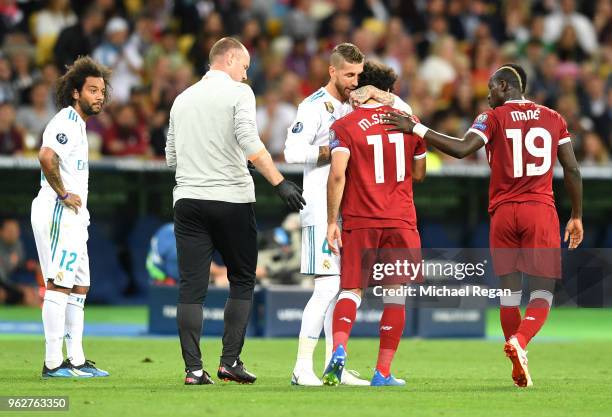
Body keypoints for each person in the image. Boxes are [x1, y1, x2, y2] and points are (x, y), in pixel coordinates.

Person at [383, 63, 584, 388]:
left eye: (491, 88)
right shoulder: (554, 118)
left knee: (509, 294)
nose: (487, 95)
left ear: (505, 86)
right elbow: (572, 170)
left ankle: (518, 360)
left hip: (504, 213)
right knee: (542, 292)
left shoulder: (491, 118)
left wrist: (416, 128)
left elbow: (462, 149)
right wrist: (576, 215)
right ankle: (520, 342)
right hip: (539, 210)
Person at [165, 37, 305, 386]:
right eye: (244, 67)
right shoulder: (239, 94)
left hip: (188, 200)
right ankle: (230, 362)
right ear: (229, 60)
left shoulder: (182, 99)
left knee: (191, 287)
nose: (246, 75)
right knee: (242, 278)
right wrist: (279, 183)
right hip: (231, 200)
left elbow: (171, 157)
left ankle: (193, 371)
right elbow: (249, 141)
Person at [284, 44, 413, 387]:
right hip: (319, 207)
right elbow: (291, 151)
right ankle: (300, 368)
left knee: (344, 290)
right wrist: (338, 148)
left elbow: (406, 111)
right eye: (349, 76)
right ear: (332, 71)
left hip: (354, 213)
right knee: (327, 289)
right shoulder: (313, 107)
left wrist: (376, 93)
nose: (355, 83)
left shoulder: (362, 103)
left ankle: (331, 366)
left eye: (360, 76)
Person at [323, 61, 426, 387]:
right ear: (387, 91)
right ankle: (383, 372)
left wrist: (331, 221)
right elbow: (419, 174)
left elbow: (337, 174)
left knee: (351, 290)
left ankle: (338, 349)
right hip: (400, 218)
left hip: (360, 218)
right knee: (395, 294)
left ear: (360, 88)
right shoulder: (408, 121)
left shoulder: (345, 125)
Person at [31, 56, 112, 378]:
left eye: (102, 90)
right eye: (92, 90)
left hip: (76, 217)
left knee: (80, 285)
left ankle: (76, 360)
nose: (99, 96)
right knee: (58, 284)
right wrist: (63, 194)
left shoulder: (78, 124)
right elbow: (46, 156)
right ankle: (53, 363)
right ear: (76, 92)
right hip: (57, 211)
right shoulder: (65, 120)